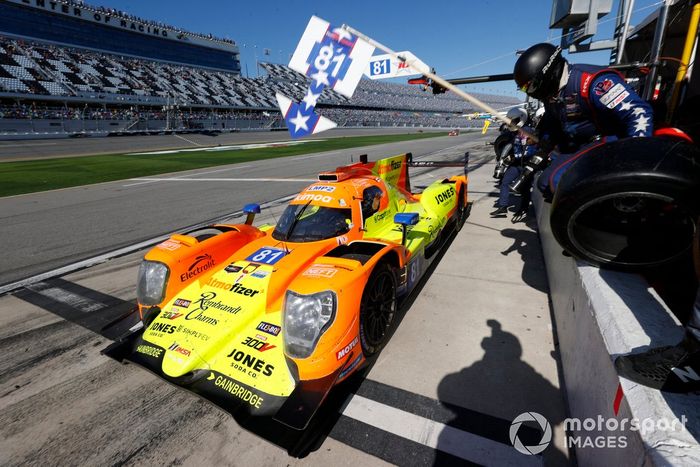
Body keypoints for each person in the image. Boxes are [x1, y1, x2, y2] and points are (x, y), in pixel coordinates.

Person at [512, 43, 653, 200]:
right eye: (525, 89)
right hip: (579, 144)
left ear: (548, 75)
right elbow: (552, 121)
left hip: (610, 139)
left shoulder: (594, 82)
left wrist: (637, 156)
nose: (531, 93)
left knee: (558, 181)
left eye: (531, 87)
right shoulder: (552, 94)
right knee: (544, 183)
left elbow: (639, 112)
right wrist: (543, 140)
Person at [490, 125, 536, 221]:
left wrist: (516, 155)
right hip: (516, 165)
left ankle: (524, 208)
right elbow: (512, 147)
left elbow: (531, 152)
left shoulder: (532, 137)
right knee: (505, 182)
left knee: (525, 187)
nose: (519, 134)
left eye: (521, 133)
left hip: (528, 165)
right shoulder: (516, 136)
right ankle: (503, 207)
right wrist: (507, 157)